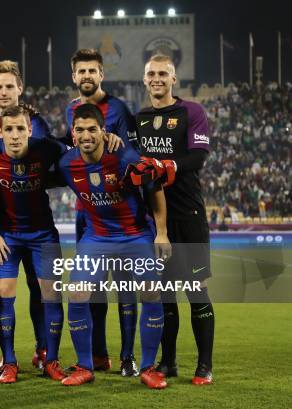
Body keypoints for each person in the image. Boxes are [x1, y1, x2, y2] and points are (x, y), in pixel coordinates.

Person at [56, 103, 170, 388]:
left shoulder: (123, 157)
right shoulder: (66, 164)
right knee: (78, 293)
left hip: (135, 235)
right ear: (73, 133)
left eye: (92, 129)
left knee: (152, 292)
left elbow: (154, 187)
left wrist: (162, 233)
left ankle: (148, 368)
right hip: (97, 236)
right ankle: (85, 365)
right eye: (80, 130)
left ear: (103, 132)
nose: (86, 136)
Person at [136, 54, 215, 385]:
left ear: (173, 79)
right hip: (156, 220)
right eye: (151, 73)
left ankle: (204, 366)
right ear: (144, 79)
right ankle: (168, 363)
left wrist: (167, 167)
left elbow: (198, 156)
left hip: (189, 215)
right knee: (166, 296)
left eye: (163, 74)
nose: (156, 78)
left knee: (196, 291)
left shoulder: (191, 111)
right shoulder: (139, 118)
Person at [0, 60, 50, 369]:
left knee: (39, 288)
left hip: (38, 222)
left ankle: (43, 349)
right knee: (5, 289)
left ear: (20, 89)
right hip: (0, 223)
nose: (4, 92)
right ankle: (8, 356)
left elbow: (50, 160)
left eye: (9, 86)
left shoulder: (37, 122)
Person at [65, 49, 140, 375]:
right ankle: (98, 356)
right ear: (73, 76)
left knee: (125, 286)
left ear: (101, 74)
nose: (86, 76)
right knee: (90, 289)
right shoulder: (72, 110)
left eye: (92, 71)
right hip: (87, 213)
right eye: (81, 71)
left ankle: (127, 357)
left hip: (120, 213)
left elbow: (131, 157)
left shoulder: (119, 109)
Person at [0, 104, 69, 383]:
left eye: (21, 129)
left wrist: (109, 139)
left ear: (30, 130)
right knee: (5, 292)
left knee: (51, 295)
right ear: (0, 132)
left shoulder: (46, 148)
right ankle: (9, 362)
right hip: (8, 236)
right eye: (9, 129)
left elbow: (77, 152)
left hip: (43, 235)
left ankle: (52, 361)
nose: (15, 135)